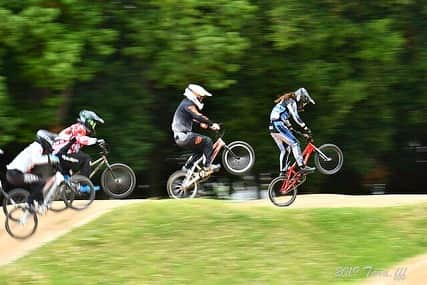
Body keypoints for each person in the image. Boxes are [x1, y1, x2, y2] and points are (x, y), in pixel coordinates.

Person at [6, 130, 60, 213]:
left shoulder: (36, 147)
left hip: (14, 173)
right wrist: (50, 158)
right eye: (51, 141)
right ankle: (29, 204)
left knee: (38, 178)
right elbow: (36, 160)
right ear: (46, 140)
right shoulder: (37, 147)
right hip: (15, 174)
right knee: (40, 182)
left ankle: (37, 202)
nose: (51, 144)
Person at [171, 84, 221, 173]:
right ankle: (207, 167)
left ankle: (187, 168)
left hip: (180, 137)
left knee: (200, 150)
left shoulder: (186, 104)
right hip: (183, 136)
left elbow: (193, 118)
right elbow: (198, 116)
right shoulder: (188, 104)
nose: (202, 99)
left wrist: (204, 124)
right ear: (195, 95)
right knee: (207, 141)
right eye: (201, 97)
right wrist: (212, 124)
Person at [53, 110, 104, 191]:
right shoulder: (79, 127)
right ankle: (84, 185)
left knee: (80, 156)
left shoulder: (80, 128)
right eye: (93, 123)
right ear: (88, 121)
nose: (94, 126)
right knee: (86, 159)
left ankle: (68, 182)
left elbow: (75, 146)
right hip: (61, 154)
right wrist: (96, 141)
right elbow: (81, 139)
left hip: (62, 153)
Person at [269, 87, 316, 176]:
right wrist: (305, 128)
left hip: (273, 127)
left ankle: (282, 173)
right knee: (295, 143)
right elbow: (295, 116)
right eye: (303, 103)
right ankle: (301, 167)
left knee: (286, 150)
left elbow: (281, 114)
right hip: (278, 125)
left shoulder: (285, 101)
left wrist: (289, 126)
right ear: (300, 97)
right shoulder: (291, 101)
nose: (302, 106)